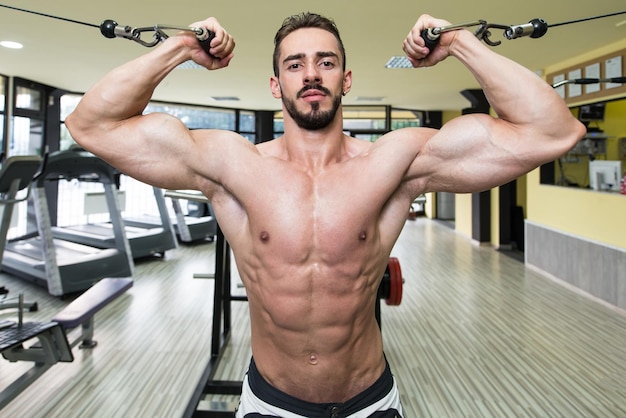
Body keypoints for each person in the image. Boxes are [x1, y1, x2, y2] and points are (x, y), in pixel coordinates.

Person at [65, 11, 585, 417]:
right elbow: (93, 125)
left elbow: (554, 132)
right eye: (294, 64)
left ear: (346, 78)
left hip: (370, 402)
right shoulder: (231, 163)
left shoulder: (395, 161)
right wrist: (178, 47)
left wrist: (459, 44)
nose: (311, 75)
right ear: (277, 85)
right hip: (271, 404)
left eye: (326, 62)